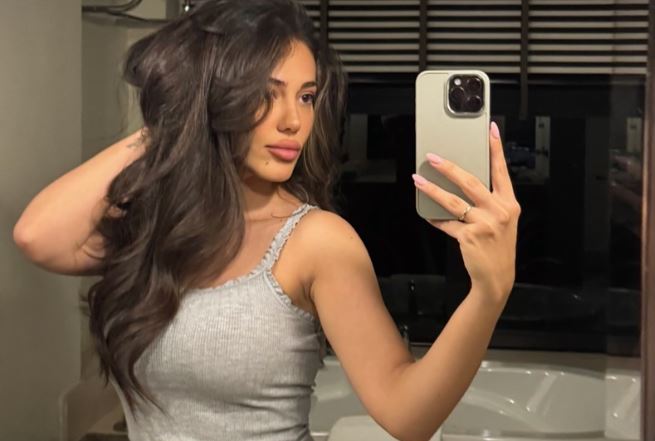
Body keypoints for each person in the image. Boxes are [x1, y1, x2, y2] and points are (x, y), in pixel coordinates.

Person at [12, 0, 521, 440]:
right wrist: (176, 123)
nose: (294, 121)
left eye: (306, 96)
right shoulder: (158, 228)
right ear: (216, 96)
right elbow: (38, 235)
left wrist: (488, 294)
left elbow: (406, 415)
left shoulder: (316, 241)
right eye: (266, 93)